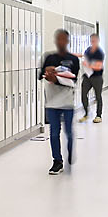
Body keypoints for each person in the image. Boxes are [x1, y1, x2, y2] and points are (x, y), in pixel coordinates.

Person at [39, 28, 80, 174]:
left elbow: (74, 79)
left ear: (67, 41)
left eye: (64, 39)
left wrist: (58, 77)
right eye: (59, 39)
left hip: (67, 102)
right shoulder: (48, 57)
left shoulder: (74, 59)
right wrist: (48, 72)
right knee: (54, 133)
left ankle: (69, 153)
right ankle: (57, 161)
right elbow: (40, 75)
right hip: (52, 102)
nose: (61, 42)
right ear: (56, 41)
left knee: (69, 132)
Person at [79, 34, 106, 123]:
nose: (92, 42)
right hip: (87, 76)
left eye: (94, 41)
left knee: (98, 96)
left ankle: (98, 115)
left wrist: (88, 65)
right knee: (83, 94)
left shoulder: (99, 52)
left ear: (98, 41)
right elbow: (84, 56)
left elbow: (98, 66)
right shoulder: (88, 50)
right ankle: (86, 114)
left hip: (97, 77)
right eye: (91, 40)